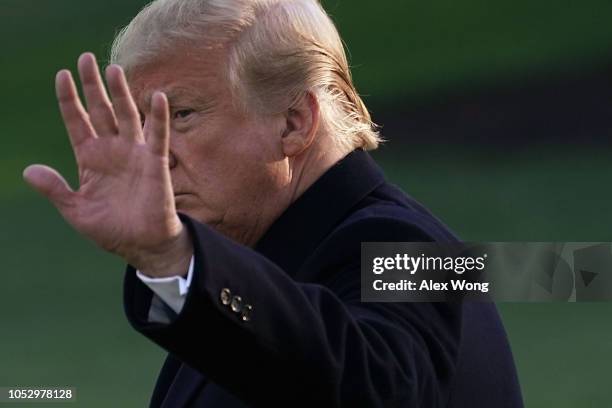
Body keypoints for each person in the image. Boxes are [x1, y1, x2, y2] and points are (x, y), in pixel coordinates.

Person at [23, 0, 523, 406]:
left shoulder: (411, 249)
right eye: (141, 123)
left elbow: (373, 393)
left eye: (182, 114)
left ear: (293, 123)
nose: (152, 154)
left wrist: (171, 256)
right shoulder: (247, 258)